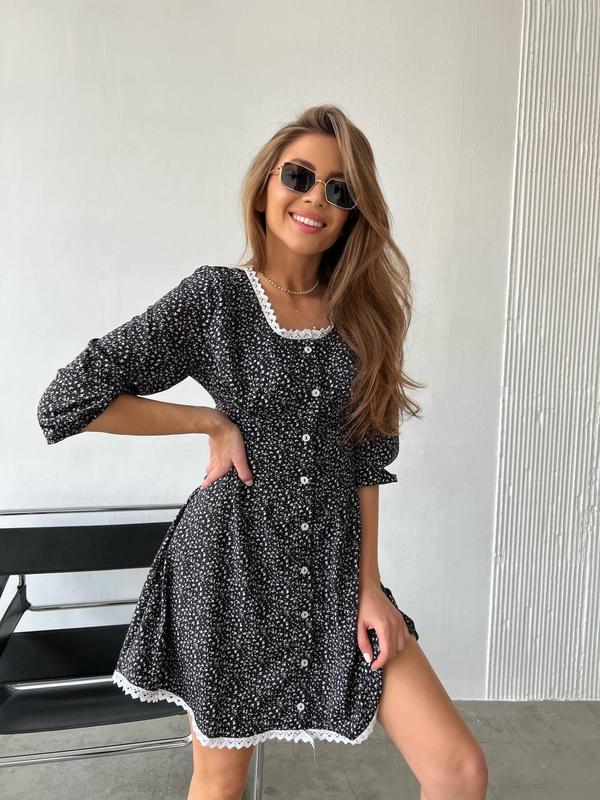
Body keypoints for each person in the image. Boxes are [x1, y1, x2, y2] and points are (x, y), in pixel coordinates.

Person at [37, 105, 488, 800]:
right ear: (265, 187)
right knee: (221, 781)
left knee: (458, 769)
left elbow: (366, 461)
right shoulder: (216, 299)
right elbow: (68, 400)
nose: (316, 199)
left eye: (340, 190)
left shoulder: (367, 319)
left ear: (356, 213)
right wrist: (208, 421)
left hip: (333, 571)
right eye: (299, 176)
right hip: (228, 568)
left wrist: (369, 585)